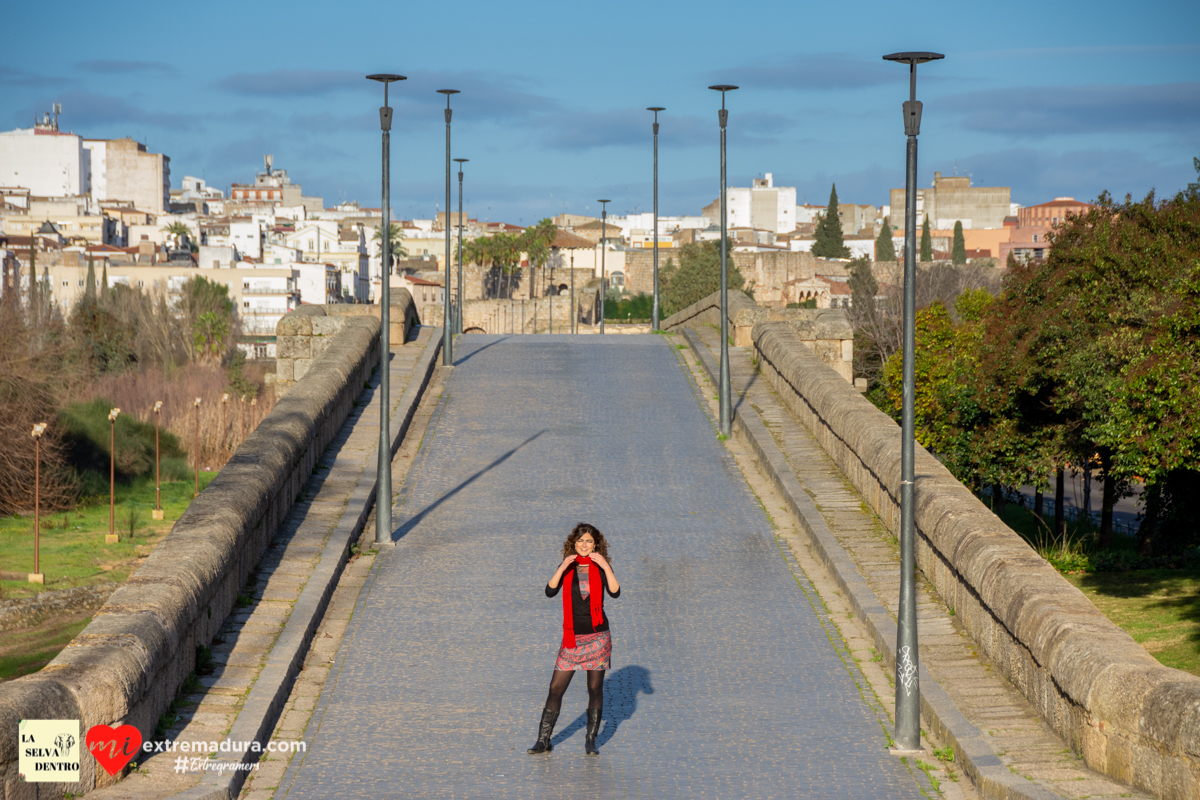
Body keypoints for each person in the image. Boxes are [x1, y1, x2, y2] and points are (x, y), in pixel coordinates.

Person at [527, 523, 621, 756]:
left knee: (594, 688)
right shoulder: (568, 566)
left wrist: (606, 566)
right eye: (580, 541)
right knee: (555, 688)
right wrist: (563, 566)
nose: (584, 545)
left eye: (589, 541)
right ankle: (543, 740)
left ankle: (591, 741)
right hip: (572, 638)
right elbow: (550, 591)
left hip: (598, 636)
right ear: (574, 543)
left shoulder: (600, 566)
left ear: (595, 544)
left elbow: (615, 591)